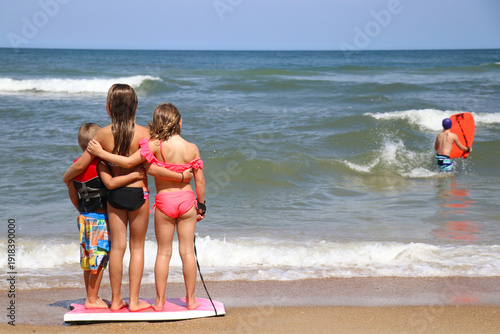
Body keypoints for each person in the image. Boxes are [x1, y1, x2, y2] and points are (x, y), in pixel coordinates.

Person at [62, 84, 190, 312]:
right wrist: (182, 176)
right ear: (135, 106)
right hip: (139, 193)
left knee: (118, 249)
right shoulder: (145, 133)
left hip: (114, 195)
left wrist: (65, 178)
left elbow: (81, 165)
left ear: (109, 107)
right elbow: (152, 166)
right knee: (137, 248)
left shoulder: (101, 135)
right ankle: (134, 300)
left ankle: (117, 300)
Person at [87, 102, 206, 311]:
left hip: (164, 202)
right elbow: (201, 181)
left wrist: (102, 154)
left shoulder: (155, 145)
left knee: (163, 253)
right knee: (187, 252)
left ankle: (159, 302)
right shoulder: (192, 147)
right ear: (179, 122)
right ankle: (191, 300)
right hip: (187, 200)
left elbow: (141, 166)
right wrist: (201, 205)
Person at [66, 123, 146, 309]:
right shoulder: (100, 164)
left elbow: (71, 189)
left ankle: (92, 295)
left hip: (84, 217)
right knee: (99, 260)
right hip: (99, 219)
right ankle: (91, 299)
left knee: (88, 259)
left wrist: (79, 208)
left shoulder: (76, 166)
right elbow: (111, 183)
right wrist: (135, 175)